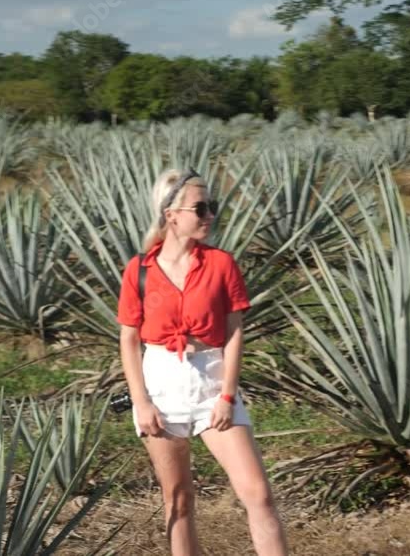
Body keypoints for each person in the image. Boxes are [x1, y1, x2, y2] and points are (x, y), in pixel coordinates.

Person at [116, 168, 289, 556]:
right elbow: (128, 339)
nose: (210, 215)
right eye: (201, 208)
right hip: (160, 383)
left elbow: (234, 332)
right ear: (171, 213)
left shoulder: (221, 264)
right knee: (178, 500)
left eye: (213, 207)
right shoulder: (139, 270)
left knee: (258, 494)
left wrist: (227, 395)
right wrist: (141, 401)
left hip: (212, 379)